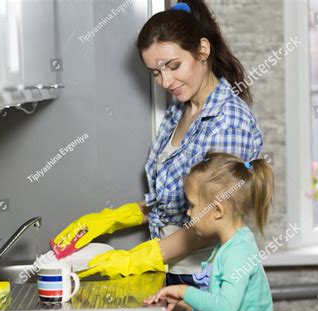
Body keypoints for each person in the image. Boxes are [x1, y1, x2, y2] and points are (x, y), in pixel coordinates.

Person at [51, 0, 264, 287]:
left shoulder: (229, 123)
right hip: (174, 271)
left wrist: (134, 259)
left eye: (173, 66)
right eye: (155, 72)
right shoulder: (181, 109)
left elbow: (212, 220)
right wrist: (113, 219)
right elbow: (177, 201)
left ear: (203, 50)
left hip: (209, 279)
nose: (165, 81)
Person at [144, 152, 274, 311]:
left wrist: (182, 291)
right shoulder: (228, 245)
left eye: (192, 205)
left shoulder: (238, 252)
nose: (189, 213)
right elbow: (218, 304)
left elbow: (225, 309)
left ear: (217, 211)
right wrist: (190, 309)